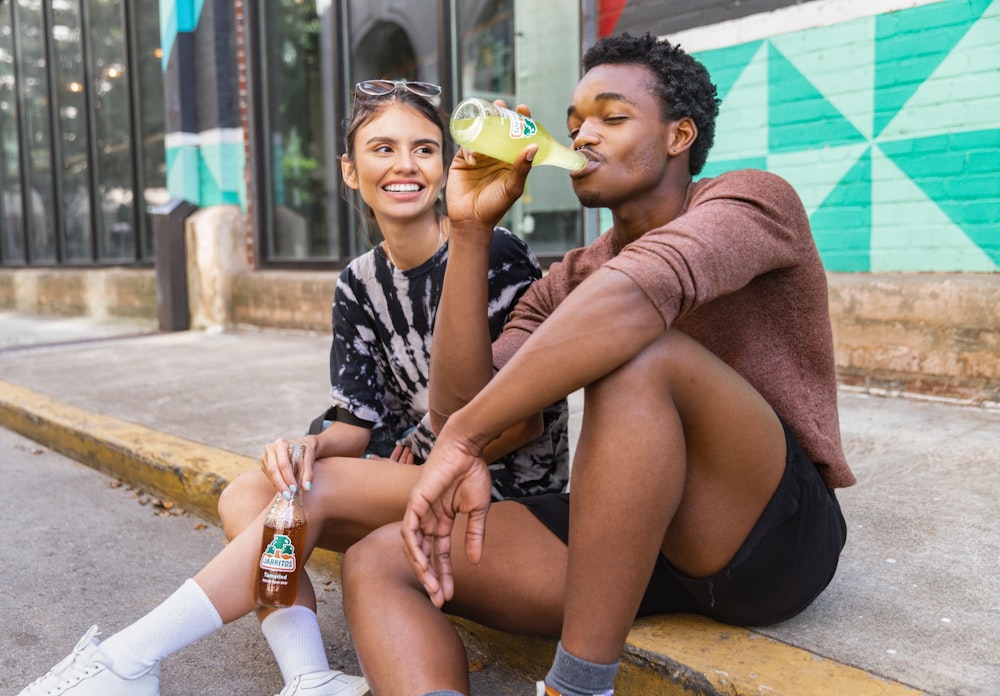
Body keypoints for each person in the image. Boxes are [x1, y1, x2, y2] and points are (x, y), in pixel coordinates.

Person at [339, 33, 856, 696]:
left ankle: (578, 687)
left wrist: (463, 436)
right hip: (636, 534)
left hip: (769, 532)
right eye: (575, 123)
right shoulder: (569, 278)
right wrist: (468, 233)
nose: (582, 137)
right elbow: (467, 410)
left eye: (611, 118)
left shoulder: (751, 201)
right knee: (383, 558)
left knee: (639, 354)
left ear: (680, 136)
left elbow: (643, 294)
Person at [17, 80, 568, 696]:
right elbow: (353, 424)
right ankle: (309, 675)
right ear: (350, 171)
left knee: (315, 491)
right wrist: (305, 447)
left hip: (500, 489)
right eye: (382, 148)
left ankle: (129, 658)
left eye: (424, 149)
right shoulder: (358, 284)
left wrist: (408, 458)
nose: (405, 164)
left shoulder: (494, 252)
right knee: (253, 493)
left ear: (445, 167)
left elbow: (522, 420)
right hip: (410, 479)